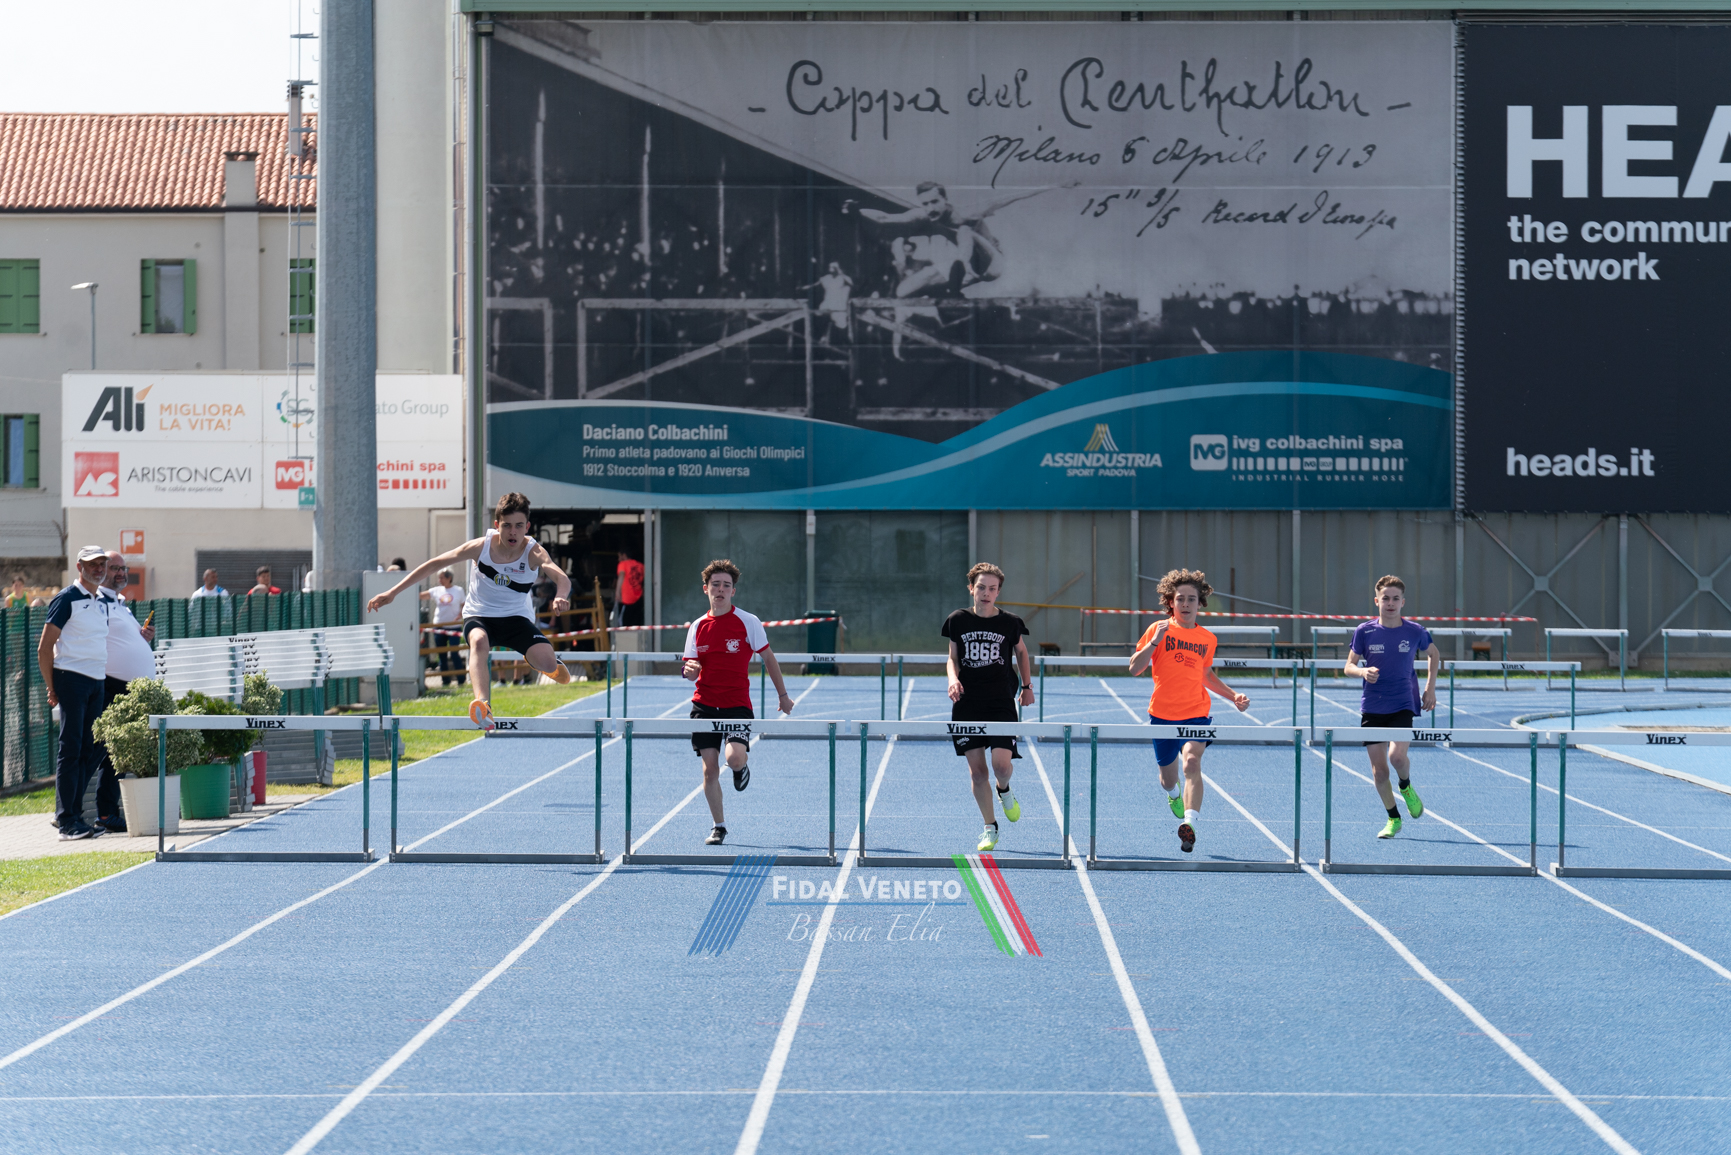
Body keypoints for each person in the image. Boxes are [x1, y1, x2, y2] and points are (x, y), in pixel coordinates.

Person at [367, 492, 573, 730]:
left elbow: (562, 577)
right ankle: (483, 704)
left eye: (519, 526)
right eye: (506, 526)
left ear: (527, 527)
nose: (513, 532)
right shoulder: (480, 547)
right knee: (478, 642)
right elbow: (435, 564)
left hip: (516, 618)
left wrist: (560, 595)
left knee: (548, 664)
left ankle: (546, 663)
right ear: (496, 525)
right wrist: (393, 592)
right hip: (480, 614)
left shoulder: (533, 551)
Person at [1128, 569, 1250, 855]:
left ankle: (1189, 824)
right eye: (1180, 599)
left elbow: (1206, 676)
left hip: (1196, 713)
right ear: (1170, 602)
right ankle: (1173, 795)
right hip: (1163, 715)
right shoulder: (1158, 629)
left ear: (1200, 603)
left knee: (1192, 763)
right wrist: (1154, 642)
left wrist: (1233, 695)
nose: (1185, 604)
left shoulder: (1207, 638)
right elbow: (1134, 668)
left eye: (1191, 599)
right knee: (1168, 779)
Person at [681, 559, 795, 847]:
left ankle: (740, 768)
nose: (720, 590)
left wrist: (783, 695)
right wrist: (689, 671)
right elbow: (689, 669)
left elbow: (768, 658)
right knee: (709, 769)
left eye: (726, 585)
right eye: (715, 585)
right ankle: (719, 826)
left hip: (736, 704)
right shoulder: (697, 626)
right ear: (706, 589)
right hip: (705, 704)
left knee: (733, 758)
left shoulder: (748, 622)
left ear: (733, 591)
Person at [943, 562, 1034, 853]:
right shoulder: (957, 620)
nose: (986, 593)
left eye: (992, 589)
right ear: (971, 588)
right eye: (981, 587)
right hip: (967, 702)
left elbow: (1021, 651)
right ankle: (990, 827)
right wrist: (953, 679)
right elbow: (952, 658)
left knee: (1001, 767)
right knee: (978, 773)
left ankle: (1004, 789)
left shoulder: (1010, 622)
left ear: (998, 592)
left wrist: (1027, 686)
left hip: (1000, 701)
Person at [1343, 575, 1440, 839]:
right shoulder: (1364, 631)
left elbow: (1433, 654)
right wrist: (1362, 672)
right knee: (1380, 771)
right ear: (1377, 601)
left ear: (1403, 602)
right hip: (1373, 705)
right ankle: (1393, 818)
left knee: (1397, 758)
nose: (1390, 603)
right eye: (1385, 598)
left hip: (1402, 703)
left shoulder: (1415, 631)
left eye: (1395, 598)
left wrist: (1430, 688)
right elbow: (1349, 666)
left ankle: (1406, 786)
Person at [37, 546, 114, 840]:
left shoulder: (102, 601)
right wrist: (51, 686)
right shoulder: (66, 598)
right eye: (93, 564)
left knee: (87, 750)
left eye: (102, 564)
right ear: (80, 566)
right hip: (71, 679)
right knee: (70, 749)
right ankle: (66, 821)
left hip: (97, 682)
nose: (99, 569)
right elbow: (45, 648)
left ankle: (76, 816)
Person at [93, 551, 157, 832]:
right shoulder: (96, 602)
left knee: (117, 753)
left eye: (123, 568)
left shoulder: (121, 604)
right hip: (111, 687)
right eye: (114, 568)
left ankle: (108, 813)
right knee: (103, 751)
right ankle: (94, 813)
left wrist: (142, 638)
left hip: (131, 690)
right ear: (101, 570)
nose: (120, 573)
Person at [420, 567, 466, 686]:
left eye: (442, 578)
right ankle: (445, 681)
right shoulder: (436, 590)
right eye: (439, 578)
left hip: (454, 627)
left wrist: (460, 615)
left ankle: (461, 680)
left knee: (454, 652)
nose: (439, 580)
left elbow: (464, 605)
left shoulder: (458, 590)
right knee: (442, 654)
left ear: (449, 578)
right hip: (439, 626)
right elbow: (422, 595)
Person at [614, 550, 645, 629]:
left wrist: (617, 592)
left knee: (624, 625)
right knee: (636, 625)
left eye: (619, 556)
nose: (618, 559)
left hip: (626, 599)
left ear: (624, 555)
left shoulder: (623, 564)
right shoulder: (641, 566)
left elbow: (621, 576)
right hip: (638, 599)